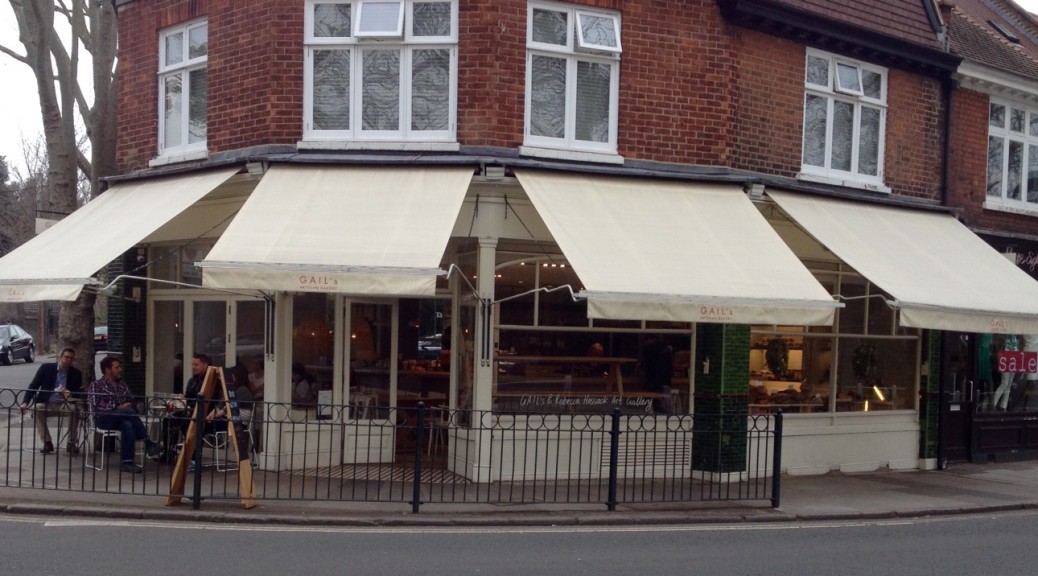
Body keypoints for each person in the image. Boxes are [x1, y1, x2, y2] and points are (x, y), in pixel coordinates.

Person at [88, 356, 162, 473]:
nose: (120, 369)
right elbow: (95, 405)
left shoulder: (122, 385)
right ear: (108, 370)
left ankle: (127, 462)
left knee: (128, 424)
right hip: (103, 418)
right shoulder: (96, 385)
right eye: (117, 367)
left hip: (122, 417)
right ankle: (147, 443)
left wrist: (129, 406)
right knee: (128, 412)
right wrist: (117, 407)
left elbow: (132, 401)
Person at [19, 347, 83, 454]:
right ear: (60, 357)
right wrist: (25, 402)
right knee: (37, 408)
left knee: (74, 410)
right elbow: (34, 385)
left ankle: (71, 443)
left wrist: (67, 392)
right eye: (66, 357)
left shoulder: (76, 373)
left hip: (64, 403)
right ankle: (47, 442)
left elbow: (77, 393)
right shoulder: (46, 368)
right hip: (47, 402)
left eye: (71, 358)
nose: (69, 360)